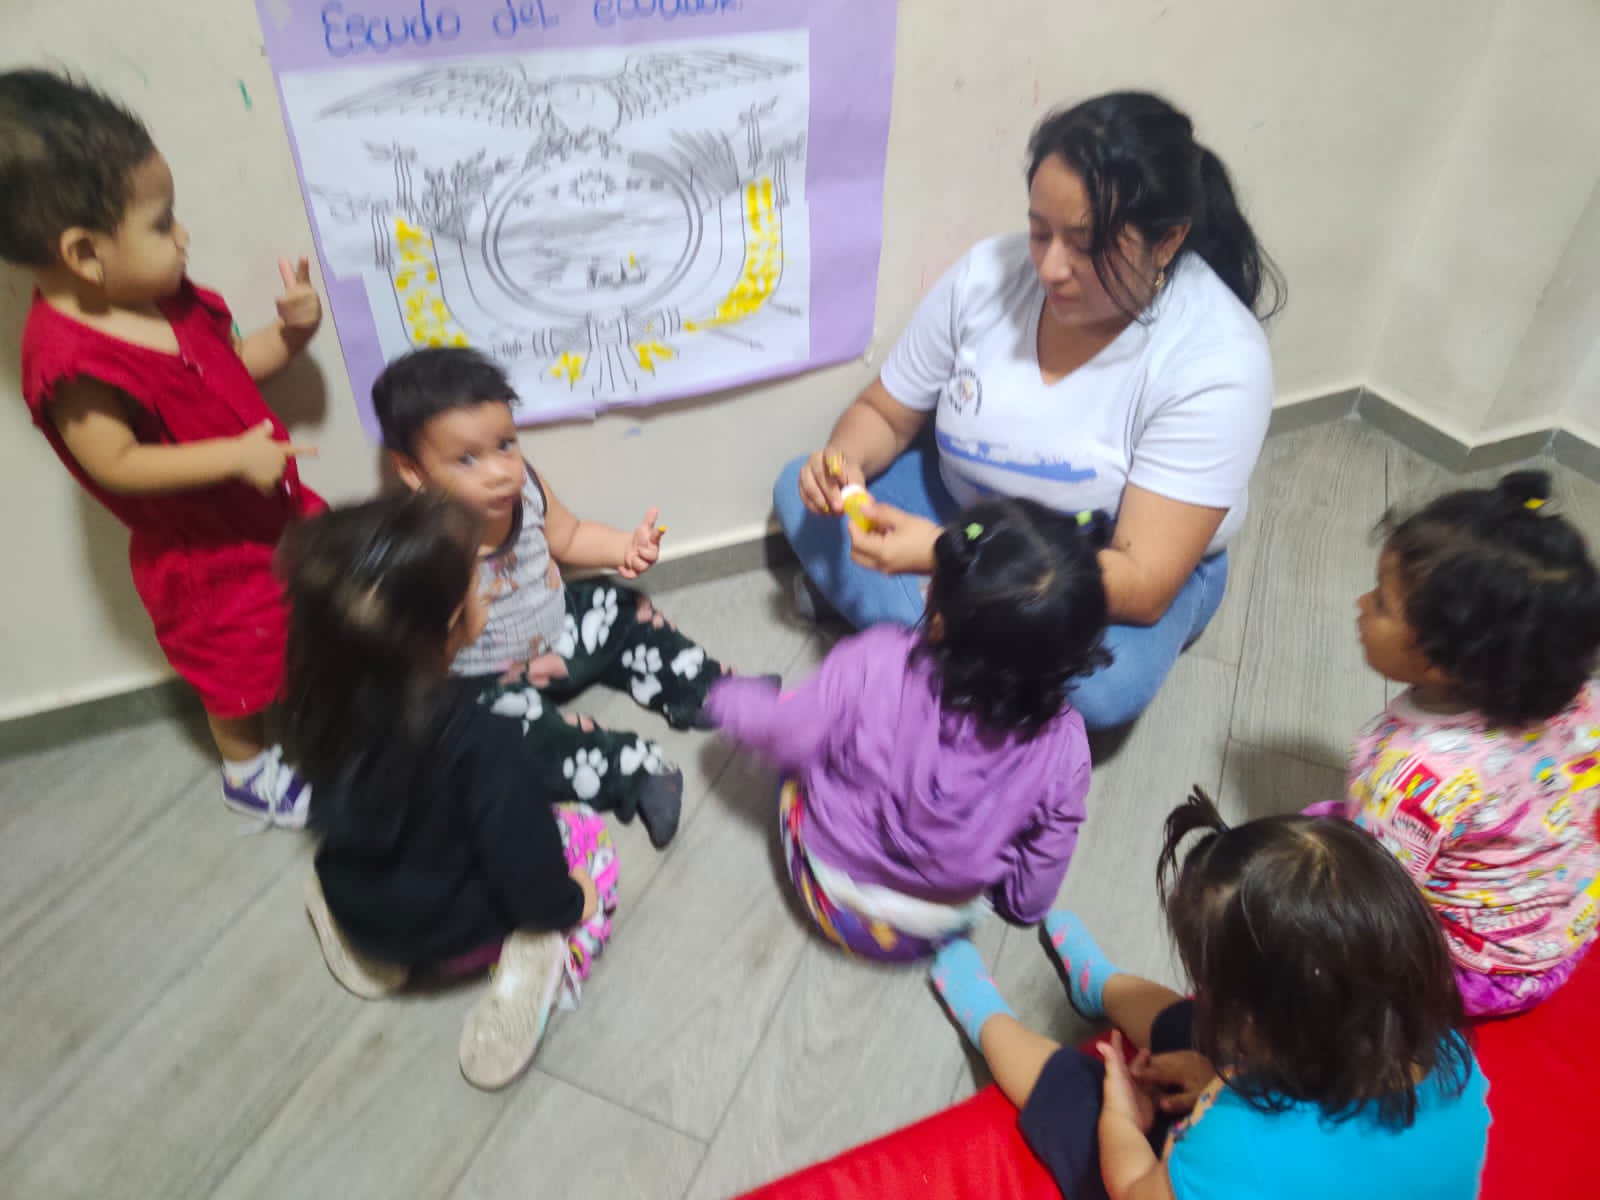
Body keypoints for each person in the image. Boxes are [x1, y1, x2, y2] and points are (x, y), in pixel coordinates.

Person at [775, 91, 1281, 731]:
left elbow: (1144, 580)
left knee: (1098, 691)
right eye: (1040, 231)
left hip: (1094, 570)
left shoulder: (1216, 357)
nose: (1050, 267)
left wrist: (943, 559)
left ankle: (918, 633)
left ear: (1168, 241)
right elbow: (884, 413)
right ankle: (956, 648)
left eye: (1087, 244)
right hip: (966, 511)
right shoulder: (986, 276)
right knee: (799, 493)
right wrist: (843, 465)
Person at [0, 69, 324, 824]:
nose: (183, 237)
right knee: (233, 669)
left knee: (303, 617)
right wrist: (234, 458)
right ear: (85, 252)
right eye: (162, 223)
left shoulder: (156, 296)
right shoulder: (69, 360)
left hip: (269, 513)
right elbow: (115, 464)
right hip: (205, 558)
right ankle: (247, 773)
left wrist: (291, 334)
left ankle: (315, 709)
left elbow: (229, 366)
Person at [929, 789, 1491, 1200]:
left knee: (1079, 1093)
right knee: (1189, 1028)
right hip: (1282, 1131)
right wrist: (1217, 1077)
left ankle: (986, 1018)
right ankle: (1101, 986)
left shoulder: (1239, 1141)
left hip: (1212, 1167)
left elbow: (1133, 1188)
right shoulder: (1450, 1060)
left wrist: (1120, 1119)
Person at [280, 493, 619, 1092]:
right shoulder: (483, 739)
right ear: (448, 624)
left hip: (356, 901)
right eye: (474, 586)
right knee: (583, 836)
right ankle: (530, 963)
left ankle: (367, 945)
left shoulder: (314, 703)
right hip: (456, 935)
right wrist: (567, 902)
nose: (483, 593)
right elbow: (522, 855)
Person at [372, 347, 768, 849]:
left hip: (560, 626)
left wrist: (624, 548)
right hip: (488, 678)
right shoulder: (420, 546)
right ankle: (633, 772)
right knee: (500, 742)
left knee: (622, 608)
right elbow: (419, 648)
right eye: (468, 459)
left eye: (505, 444)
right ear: (412, 471)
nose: (499, 472)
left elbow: (570, 535)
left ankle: (707, 691)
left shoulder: (527, 489)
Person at [706, 498, 1108, 960]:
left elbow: (783, 732)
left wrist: (726, 697)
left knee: (802, 750)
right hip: (939, 922)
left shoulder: (873, 661)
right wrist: (1022, 904)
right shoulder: (1066, 747)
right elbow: (1049, 850)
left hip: (836, 898)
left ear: (938, 620)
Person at [1339, 469, 1600, 1016]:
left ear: (1443, 656)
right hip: (1572, 921)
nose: (1361, 603)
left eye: (1382, 602)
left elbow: (1372, 902)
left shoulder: (1409, 776)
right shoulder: (1581, 698)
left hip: (1482, 971)